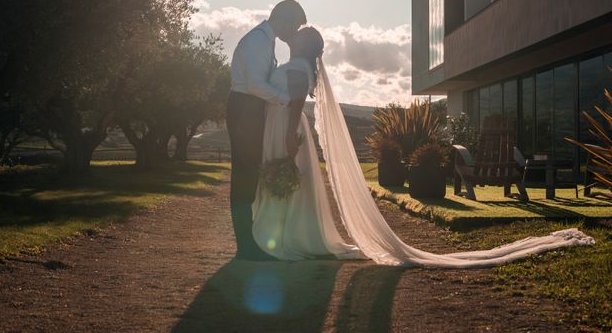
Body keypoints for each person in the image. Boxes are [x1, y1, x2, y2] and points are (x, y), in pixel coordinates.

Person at [251, 26, 596, 266]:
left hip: (287, 130)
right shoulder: (299, 65)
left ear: (304, 45)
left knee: (288, 182)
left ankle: (289, 238)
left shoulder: (297, 67)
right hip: (284, 128)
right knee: (291, 184)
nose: (291, 36)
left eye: (297, 35)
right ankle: (291, 235)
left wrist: (286, 138)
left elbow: (295, 104)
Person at [227, 0, 306, 261]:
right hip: (245, 108)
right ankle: (246, 247)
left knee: (249, 173)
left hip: (251, 109)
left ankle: (248, 243)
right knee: (245, 174)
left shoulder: (266, 41)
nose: (293, 32)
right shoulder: (258, 41)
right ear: (282, 20)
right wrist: (286, 100)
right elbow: (255, 85)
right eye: (293, 25)